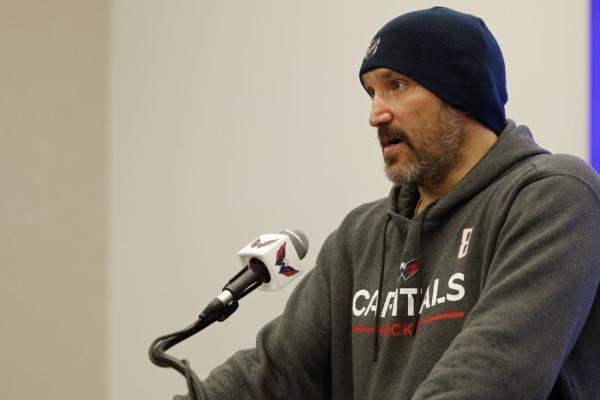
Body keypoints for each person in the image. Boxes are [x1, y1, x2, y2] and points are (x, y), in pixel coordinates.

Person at [183, 7, 600, 399]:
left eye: (396, 86)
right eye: (371, 92)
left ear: (462, 94)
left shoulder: (554, 197)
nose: (375, 115)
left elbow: (492, 373)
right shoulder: (360, 237)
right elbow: (273, 373)